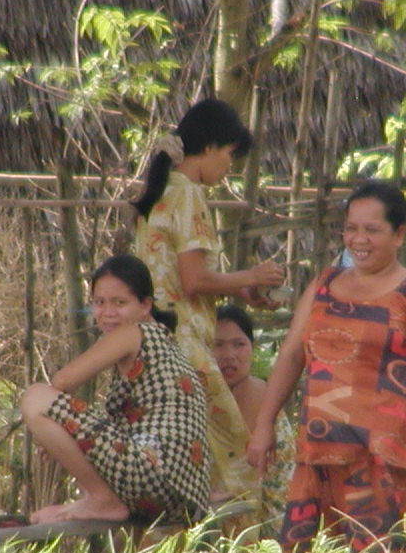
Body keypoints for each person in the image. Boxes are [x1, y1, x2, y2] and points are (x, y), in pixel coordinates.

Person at [246, 180, 406, 553]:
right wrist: (263, 424)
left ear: (399, 234)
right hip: (318, 453)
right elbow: (291, 356)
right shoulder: (324, 284)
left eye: (372, 230)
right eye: (351, 228)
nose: (359, 239)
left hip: (383, 457)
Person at [132, 98, 284, 503]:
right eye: (230, 155)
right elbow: (194, 280)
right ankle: (243, 530)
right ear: (212, 146)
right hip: (184, 342)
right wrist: (251, 276)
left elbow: (178, 277)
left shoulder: (162, 191)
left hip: (155, 343)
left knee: (180, 451)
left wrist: (239, 289)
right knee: (233, 451)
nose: (229, 167)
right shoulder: (188, 194)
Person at [21, 255, 211, 524]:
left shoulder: (133, 333)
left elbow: (62, 382)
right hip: (183, 495)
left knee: (36, 398)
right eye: (99, 302)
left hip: (154, 475)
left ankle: (102, 499)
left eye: (119, 303)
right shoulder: (163, 341)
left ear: (145, 305)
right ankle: (99, 501)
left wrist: (52, 435)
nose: (107, 312)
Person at [214, 303, 268, 426]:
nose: (229, 355)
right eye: (218, 345)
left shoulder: (262, 394)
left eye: (239, 344)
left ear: (253, 347)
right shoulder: (192, 397)